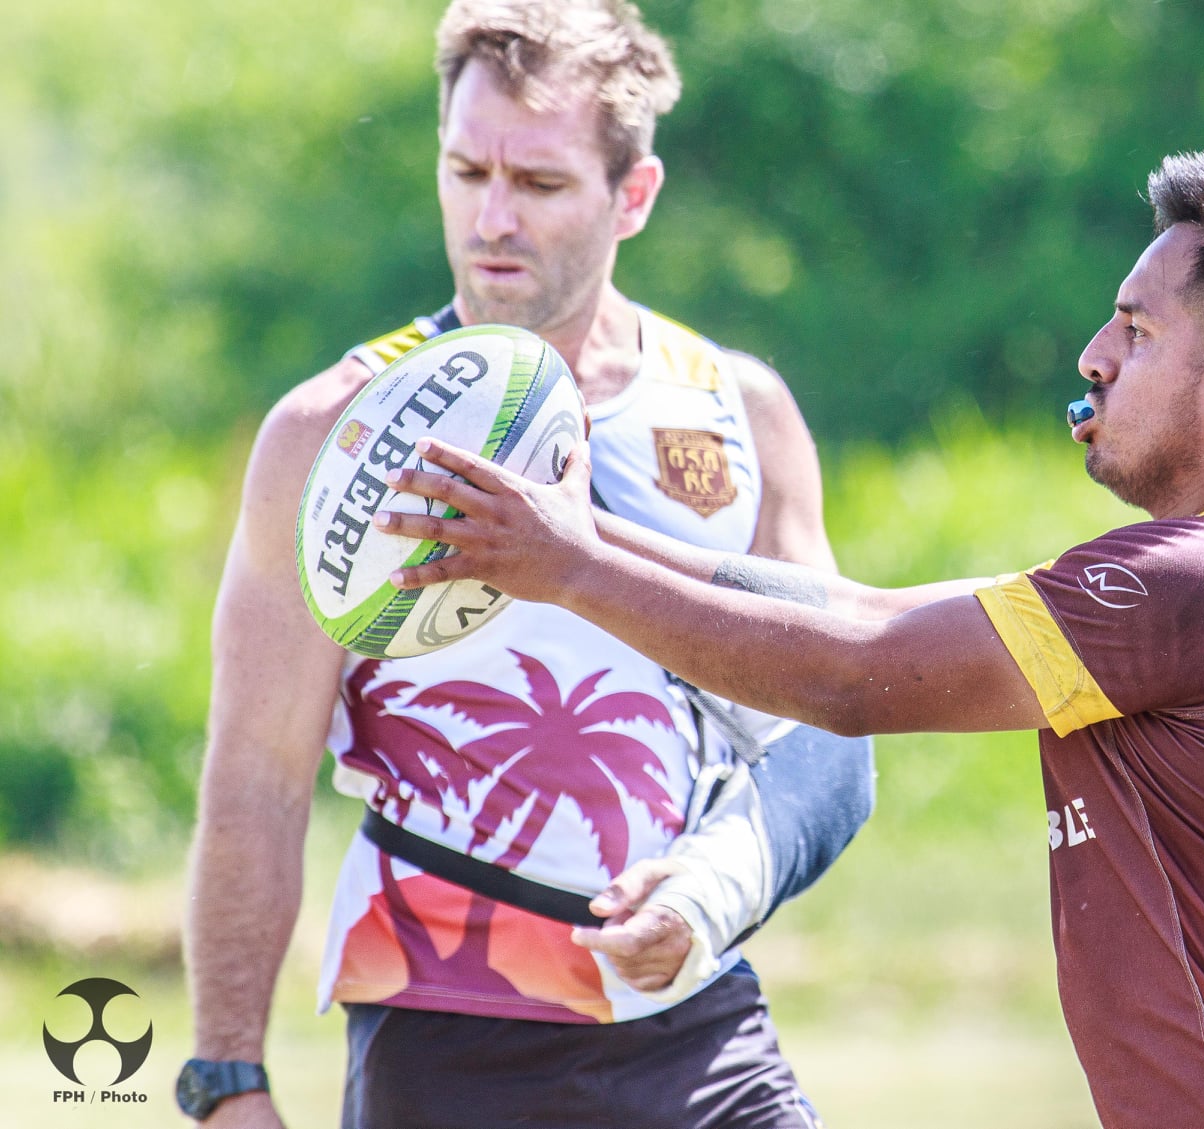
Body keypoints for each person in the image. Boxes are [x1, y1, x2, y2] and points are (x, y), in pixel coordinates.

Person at [380, 148, 1204, 1128]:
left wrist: (567, 565)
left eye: (1134, 328)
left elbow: (852, 674)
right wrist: (582, 534)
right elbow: (861, 614)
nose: (1091, 356)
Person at [181, 1, 874, 1126]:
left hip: (697, 1022)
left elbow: (832, 726)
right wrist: (226, 1080)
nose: (491, 217)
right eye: (467, 171)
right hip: (442, 1035)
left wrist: (708, 891)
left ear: (631, 196)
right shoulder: (334, 434)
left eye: (541, 185)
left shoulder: (737, 411)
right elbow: (255, 776)